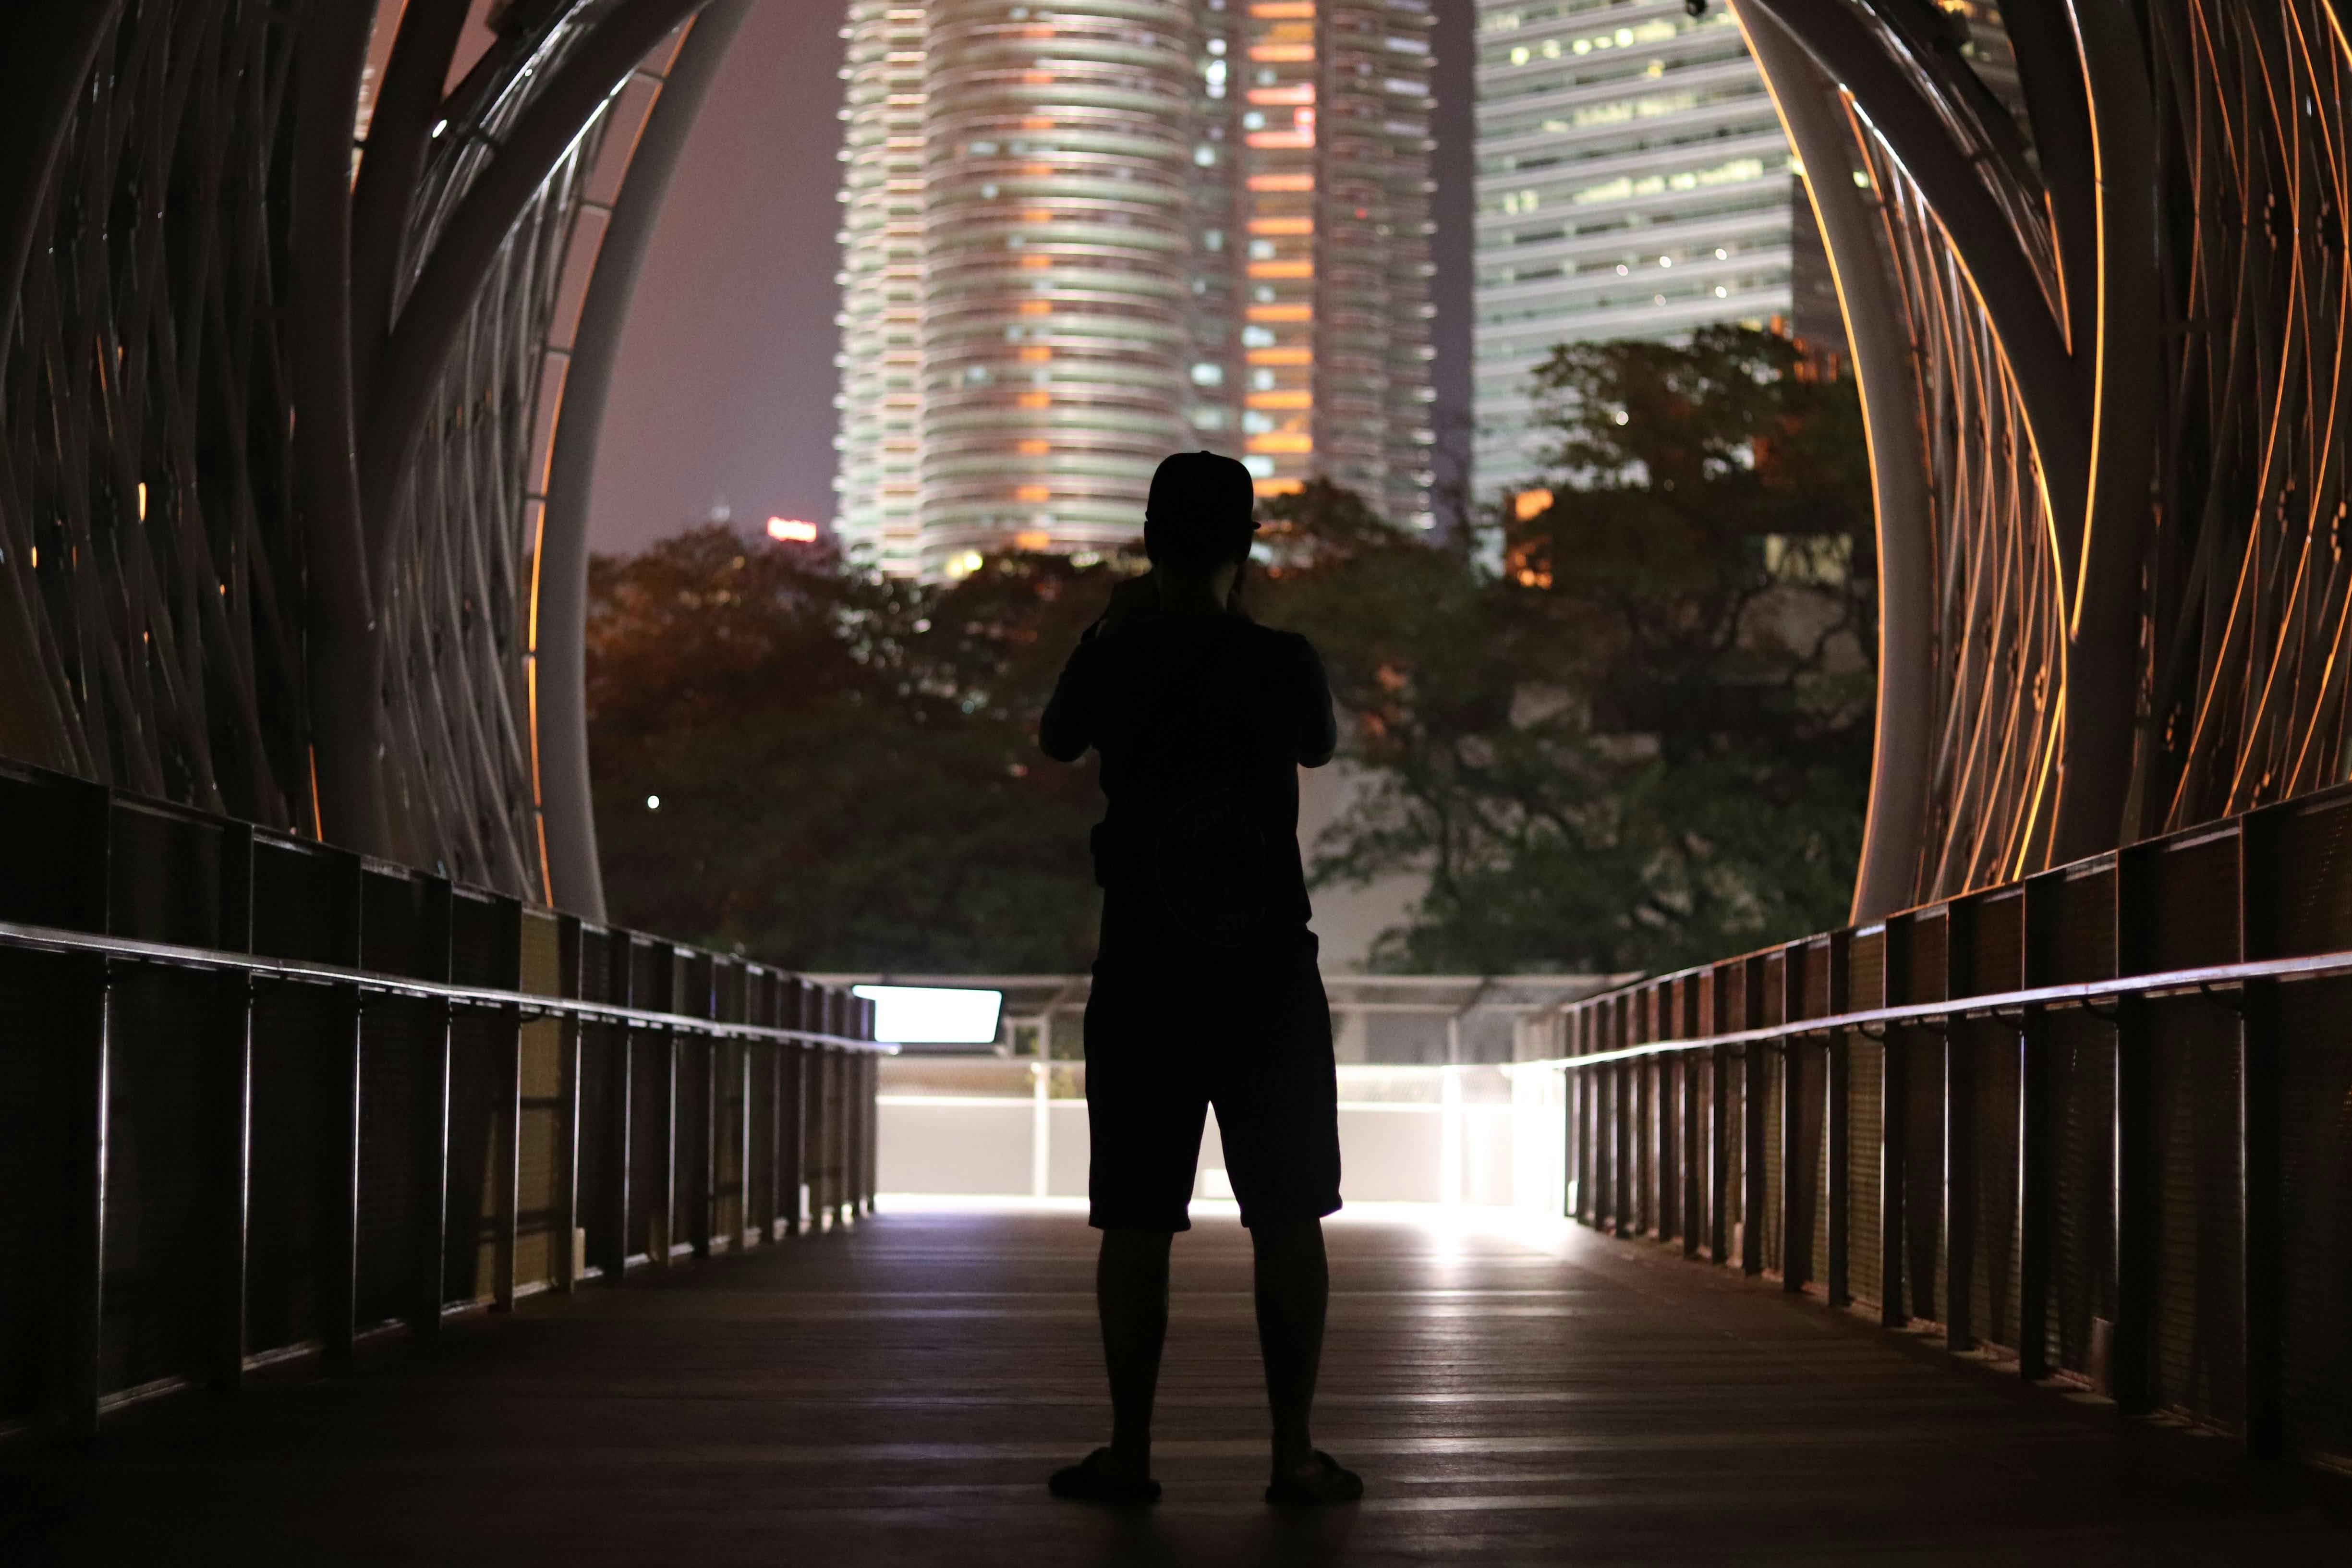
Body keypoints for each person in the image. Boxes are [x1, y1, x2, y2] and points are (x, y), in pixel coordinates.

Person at [1036, 450, 1361, 1508]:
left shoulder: (1119, 659)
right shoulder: (1281, 660)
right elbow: (1318, 741)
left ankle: (1130, 1453)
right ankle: (1292, 1454)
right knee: (1288, 1214)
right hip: (1267, 969)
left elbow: (1056, 735)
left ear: (1146, 539)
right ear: (1248, 544)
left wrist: (1112, 622)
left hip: (1142, 970)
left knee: (1135, 1217)